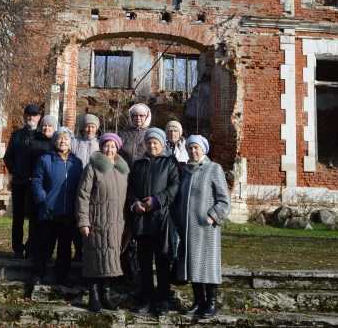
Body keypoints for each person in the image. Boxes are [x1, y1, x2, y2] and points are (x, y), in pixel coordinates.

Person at [174, 135, 230, 319]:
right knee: (192, 264)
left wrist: (213, 216)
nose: (193, 151)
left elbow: (224, 200)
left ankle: (211, 303)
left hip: (206, 227)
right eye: (190, 148)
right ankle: (198, 301)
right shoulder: (186, 171)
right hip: (188, 228)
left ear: (204, 149)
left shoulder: (213, 169)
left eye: (196, 148)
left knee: (208, 265)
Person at [127, 127, 180, 315]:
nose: (152, 145)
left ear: (162, 143)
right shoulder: (138, 164)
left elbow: (175, 187)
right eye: (149, 142)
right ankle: (146, 296)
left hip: (161, 219)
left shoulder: (170, 163)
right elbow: (130, 187)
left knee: (163, 260)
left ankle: (163, 298)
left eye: (155, 142)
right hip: (142, 220)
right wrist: (135, 204)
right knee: (144, 260)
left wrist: (157, 200)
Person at [76, 133, 129, 313]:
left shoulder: (123, 170)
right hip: (96, 221)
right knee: (94, 258)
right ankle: (94, 296)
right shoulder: (92, 167)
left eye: (113, 146)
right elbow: (83, 195)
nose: (109, 149)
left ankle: (106, 295)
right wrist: (83, 221)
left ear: (117, 148)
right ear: (101, 147)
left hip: (116, 223)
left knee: (111, 260)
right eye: (106, 146)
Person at [29, 127, 83, 291]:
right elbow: (37, 180)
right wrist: (42, 199)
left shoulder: (77, 162)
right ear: (55, 141)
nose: (63, 141)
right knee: (45, 245)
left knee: (65, 247)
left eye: (66, 139)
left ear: (70, 142)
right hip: (49, 210)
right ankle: (38, 274)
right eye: (60, 138)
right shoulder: (45, 159)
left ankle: (62, 276)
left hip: (68, 212)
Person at [3, 104, 42, 258]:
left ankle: (31, 247)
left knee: (34, 217)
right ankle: (17, 248)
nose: (30, 118)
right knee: (18, 217)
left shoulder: (41, 136)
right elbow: (8, 158)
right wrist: (17, 171)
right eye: (28, 115)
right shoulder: (17, 135)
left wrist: (37, 176)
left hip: (35, 183)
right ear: (24, 116)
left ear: (39, 117)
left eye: (33, 115)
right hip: (19, 182)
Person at [71, 113, 101, 261]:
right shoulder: (75, 143)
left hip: (94, 188)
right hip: (76, 185)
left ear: (96, 128)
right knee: (78, 220)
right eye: (87, 126)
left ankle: (90, 251)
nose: (89, 129)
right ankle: (78, 250)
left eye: (92, 126)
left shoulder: (100, 144)